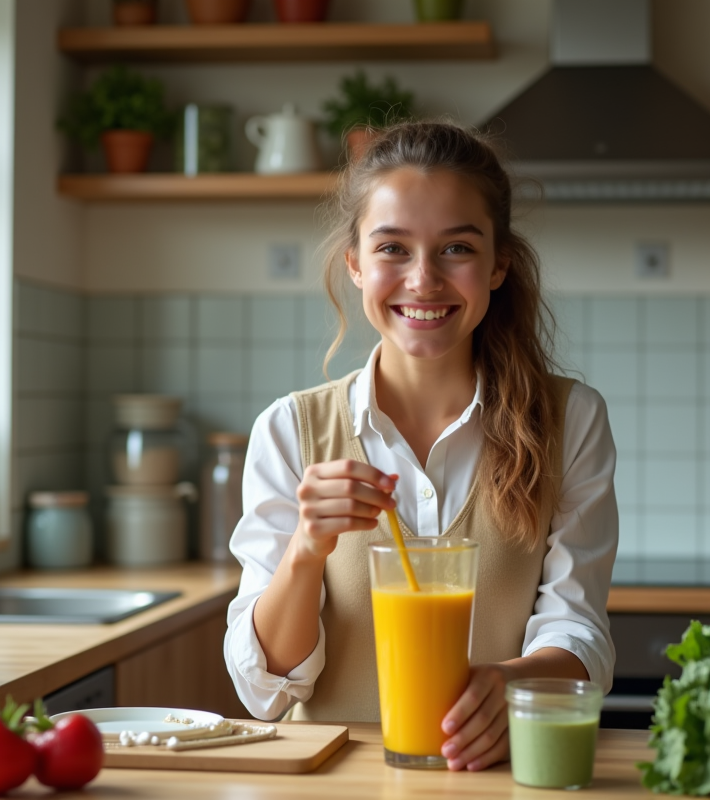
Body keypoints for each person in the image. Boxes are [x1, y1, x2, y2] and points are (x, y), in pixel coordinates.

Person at [224, 121, 618, 772]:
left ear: (498, 264)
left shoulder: (570, 420)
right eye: (393, 249)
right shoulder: (289, 431)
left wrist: (516, 680)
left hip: (497, 780)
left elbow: (578, 628)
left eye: (456, 248)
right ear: (355, 263)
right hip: (333, 786)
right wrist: (305, 548)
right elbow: (265, 691)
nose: (423, 279)